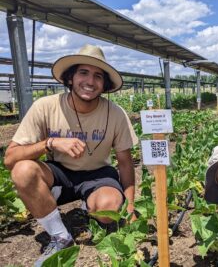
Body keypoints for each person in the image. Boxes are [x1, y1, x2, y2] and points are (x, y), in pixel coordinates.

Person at [4, 44, 138, 266]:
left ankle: (90, 204)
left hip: (98, 174)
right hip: (60, 174)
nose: (90, 81)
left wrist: (130, 207)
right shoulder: (46, 106)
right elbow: (9, 159)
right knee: (23, 170)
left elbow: (125, 163)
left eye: (97, 76)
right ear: (70, 78)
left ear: (104, 84)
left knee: (107, 211)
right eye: (83, 72)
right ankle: (60, 236)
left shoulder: (115, 113)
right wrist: (50, 143)